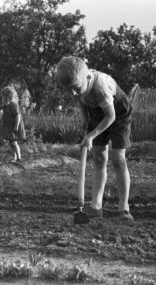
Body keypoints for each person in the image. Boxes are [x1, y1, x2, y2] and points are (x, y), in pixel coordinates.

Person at [56, 56, 134, 221]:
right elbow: (81, 98)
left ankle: (124, 208)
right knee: (99, 158)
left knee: (118, 159)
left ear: (86, 78)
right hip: (96, 113)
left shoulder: (100, 86)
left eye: (76, 88)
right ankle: (96, 206)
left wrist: (91, 136)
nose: (73, 93)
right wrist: (85, 118)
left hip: (117, 115)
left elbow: (110, 116)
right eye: (68, 89)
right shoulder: (78, 85)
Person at [1, 86, 26, 163]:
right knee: (11, 143)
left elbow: (17, 115)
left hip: (13, 126)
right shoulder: (6, 105)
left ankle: (19, 158)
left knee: (14, 143)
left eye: (4, 97)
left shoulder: (13, 105)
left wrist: (16, 126)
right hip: (9, 127)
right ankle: (14, 158)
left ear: (8, 97)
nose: (3, 99)